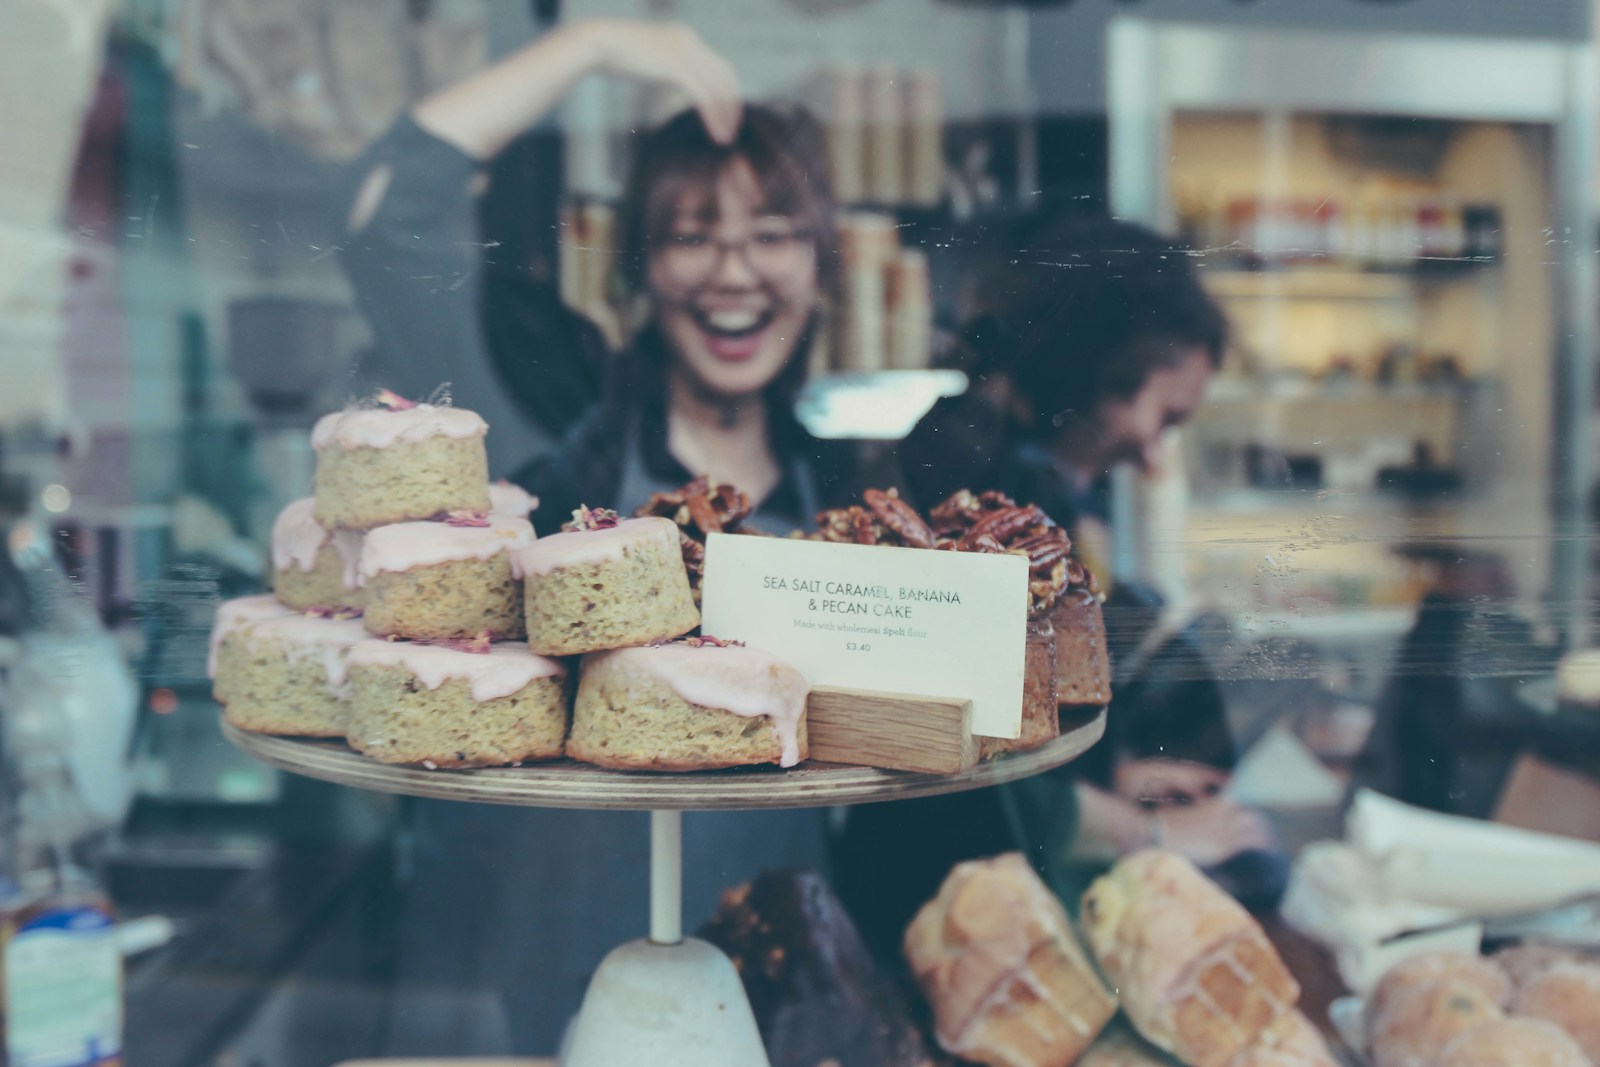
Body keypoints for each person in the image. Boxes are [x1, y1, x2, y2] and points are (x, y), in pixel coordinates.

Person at [337, 21, 864, 1053]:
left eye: (771, 232)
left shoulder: (852, 495)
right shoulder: (551, 426)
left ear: (821, 262)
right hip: (526, 978)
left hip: (763, 999)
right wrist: (592, 43)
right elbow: (377, 218)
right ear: (640, 265)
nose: (733, 271)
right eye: (688, 232)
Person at [832, 217, 1279, 961]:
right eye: (1163, 417)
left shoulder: (1001, 460)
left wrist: (1113, 776)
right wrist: (1154, 832)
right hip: (944, 925)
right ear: (1097, 371)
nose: (1152, 451)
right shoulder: (982, 489)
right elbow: (975, 775)